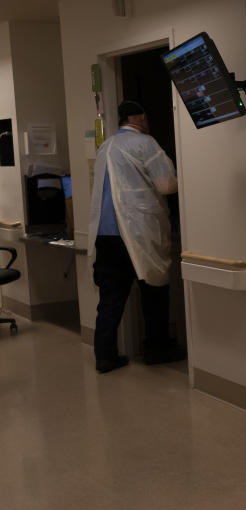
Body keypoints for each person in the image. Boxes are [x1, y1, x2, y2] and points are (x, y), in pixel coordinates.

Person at [88, 101, 184, 373]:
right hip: (136, 231)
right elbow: (166, 185)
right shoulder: (145, 143)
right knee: (154, 289)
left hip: (105, 233)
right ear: (141, 117)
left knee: (111, 297)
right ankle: (157, 348)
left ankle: (105, 356)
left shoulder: (105, 146)